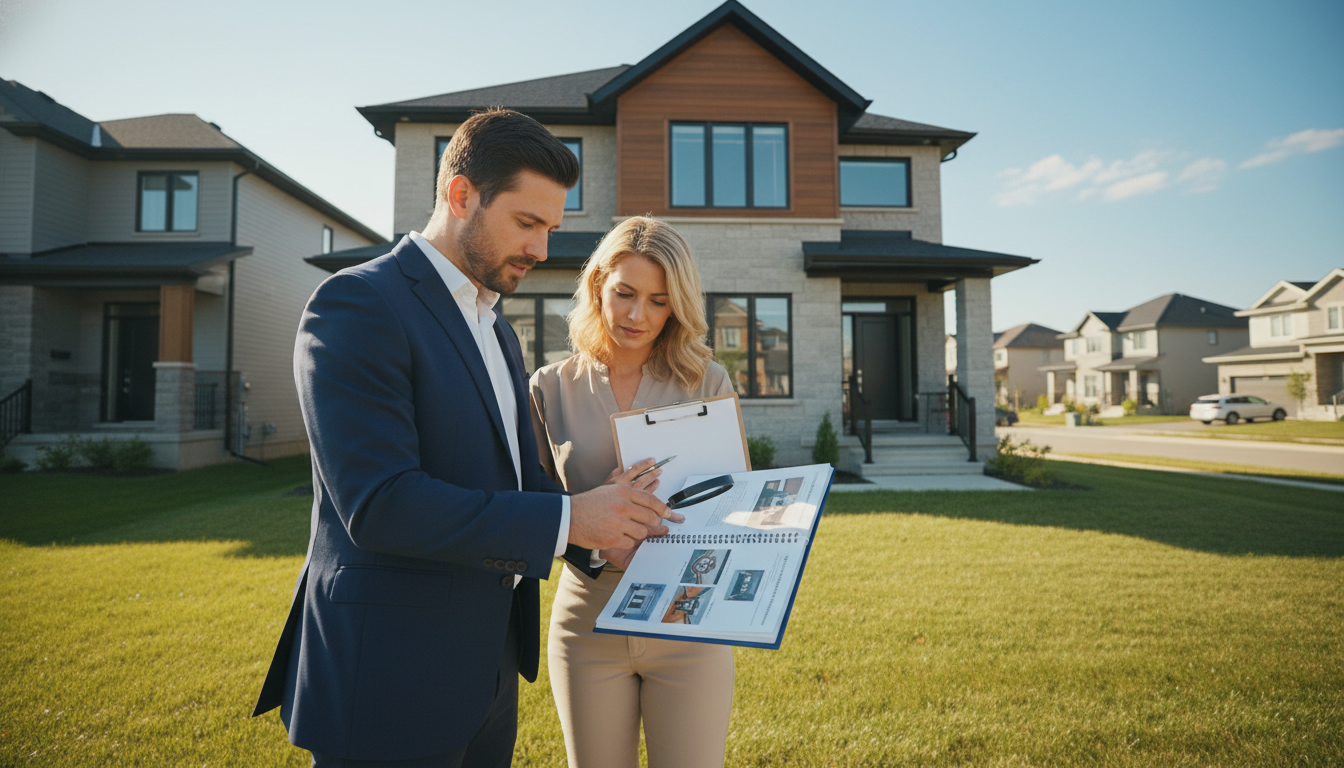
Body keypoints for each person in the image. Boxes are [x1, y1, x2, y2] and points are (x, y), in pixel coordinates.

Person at [251, 109, 678, 767]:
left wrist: (604, 530)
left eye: (551, 229)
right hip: (389, 677)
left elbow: (512, 479)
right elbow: (381, 503)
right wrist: (572, 519)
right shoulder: (357, 305)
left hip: (487, 675)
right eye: (527, 223)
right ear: (460, 195)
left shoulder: (496, 327)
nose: (542, 249)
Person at [529, 216, 736, 768]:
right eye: (624, 293)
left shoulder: (708, 382)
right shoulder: (548, 388)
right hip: (587, 623)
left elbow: (729, 503)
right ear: (598, 285)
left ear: (676, 306)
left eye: (658, 301)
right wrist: (596, 526)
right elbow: (532, 509)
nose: (637, 315)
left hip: (688, 621)